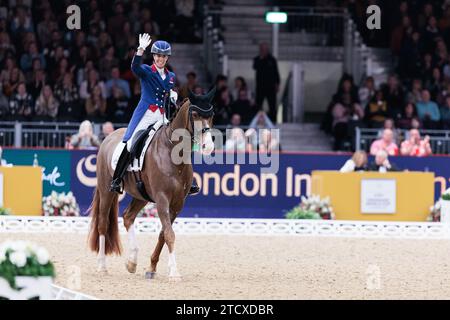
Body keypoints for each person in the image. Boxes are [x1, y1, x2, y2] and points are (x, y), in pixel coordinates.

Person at [110, 33, 198, 195]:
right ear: (154, 56)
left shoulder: (171, 76)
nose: (160, 59)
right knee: (131, 143)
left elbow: (169, 94)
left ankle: (189, 180)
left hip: (163, 116)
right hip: (146, 114)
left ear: (167, 58)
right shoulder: (146, 71)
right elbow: (134, 68)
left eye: (164, 56)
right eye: (158, 55)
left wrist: (173, 97)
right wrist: (140, 49)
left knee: (180, 139)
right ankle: (117, 179)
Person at [253, 42, 280, 123]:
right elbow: (255, 67)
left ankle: (273, 122)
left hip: (271, 87)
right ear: (260, 50)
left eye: (265, 49)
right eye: (262, 49)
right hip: (260, 87)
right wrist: (261, 58)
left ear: (267, 50)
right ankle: (256, 121)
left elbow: (276, 72)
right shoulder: (257, 59)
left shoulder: (272, 59)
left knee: (272, 106)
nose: (264, 50)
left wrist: (277, 83)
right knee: (258, 105)